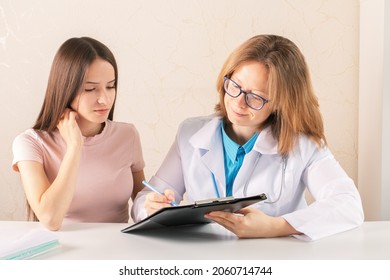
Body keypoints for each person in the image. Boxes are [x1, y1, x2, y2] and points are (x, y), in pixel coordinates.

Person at [132, 34, 364, 241]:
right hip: (205, 261)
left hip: (273, 262)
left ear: (281, 103)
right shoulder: (190, 133)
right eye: (235, 86)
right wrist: (151, 207)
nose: (238, 102)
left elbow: (348, 205)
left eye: (256, 97)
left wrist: (275, 227)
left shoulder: (303, 145)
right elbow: (145, 199)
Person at [12, 37, 145, 231]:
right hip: (63, 253)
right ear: (65, 89)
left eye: (110, 86)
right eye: (90, 89)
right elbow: (50, 219)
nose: (104, 99)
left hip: (118, 251)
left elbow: (144, 202)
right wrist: (74, 147)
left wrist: (160, 205)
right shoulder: (31, 143)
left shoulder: (127, 135)